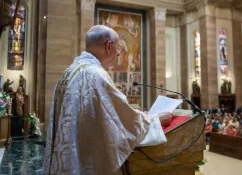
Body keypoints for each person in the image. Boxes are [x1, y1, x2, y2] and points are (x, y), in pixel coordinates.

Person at [43, 25, 172, 175]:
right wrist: (154, 120)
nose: (119, 54)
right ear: (108, 46)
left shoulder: (70, 71)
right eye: (118, 48)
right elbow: (124, 125)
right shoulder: (96, 76)